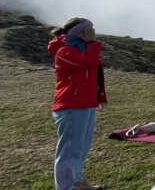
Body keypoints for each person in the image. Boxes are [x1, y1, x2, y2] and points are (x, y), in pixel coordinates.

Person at [47, 18, 107, 190]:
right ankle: (66, 187)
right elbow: (89, 62)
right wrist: (93, 44)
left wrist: (96, 99)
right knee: (69, 152)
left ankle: (78, 183)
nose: (93, 31)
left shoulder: (81, 49)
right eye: (89, 29)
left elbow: (92, 74)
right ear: (79, 32)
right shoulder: (64, 52)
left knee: (80, 150)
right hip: (71, 106)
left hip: (84, 104)